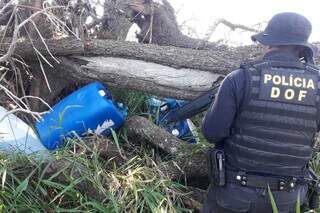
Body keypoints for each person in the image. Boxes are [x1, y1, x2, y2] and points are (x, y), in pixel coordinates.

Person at [201, 12, 320, 213]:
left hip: (234, 195)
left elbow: (212, 132)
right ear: (302, 48)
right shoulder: (317, 84)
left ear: (269, 43)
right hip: (286, 200)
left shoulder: (240, 77)